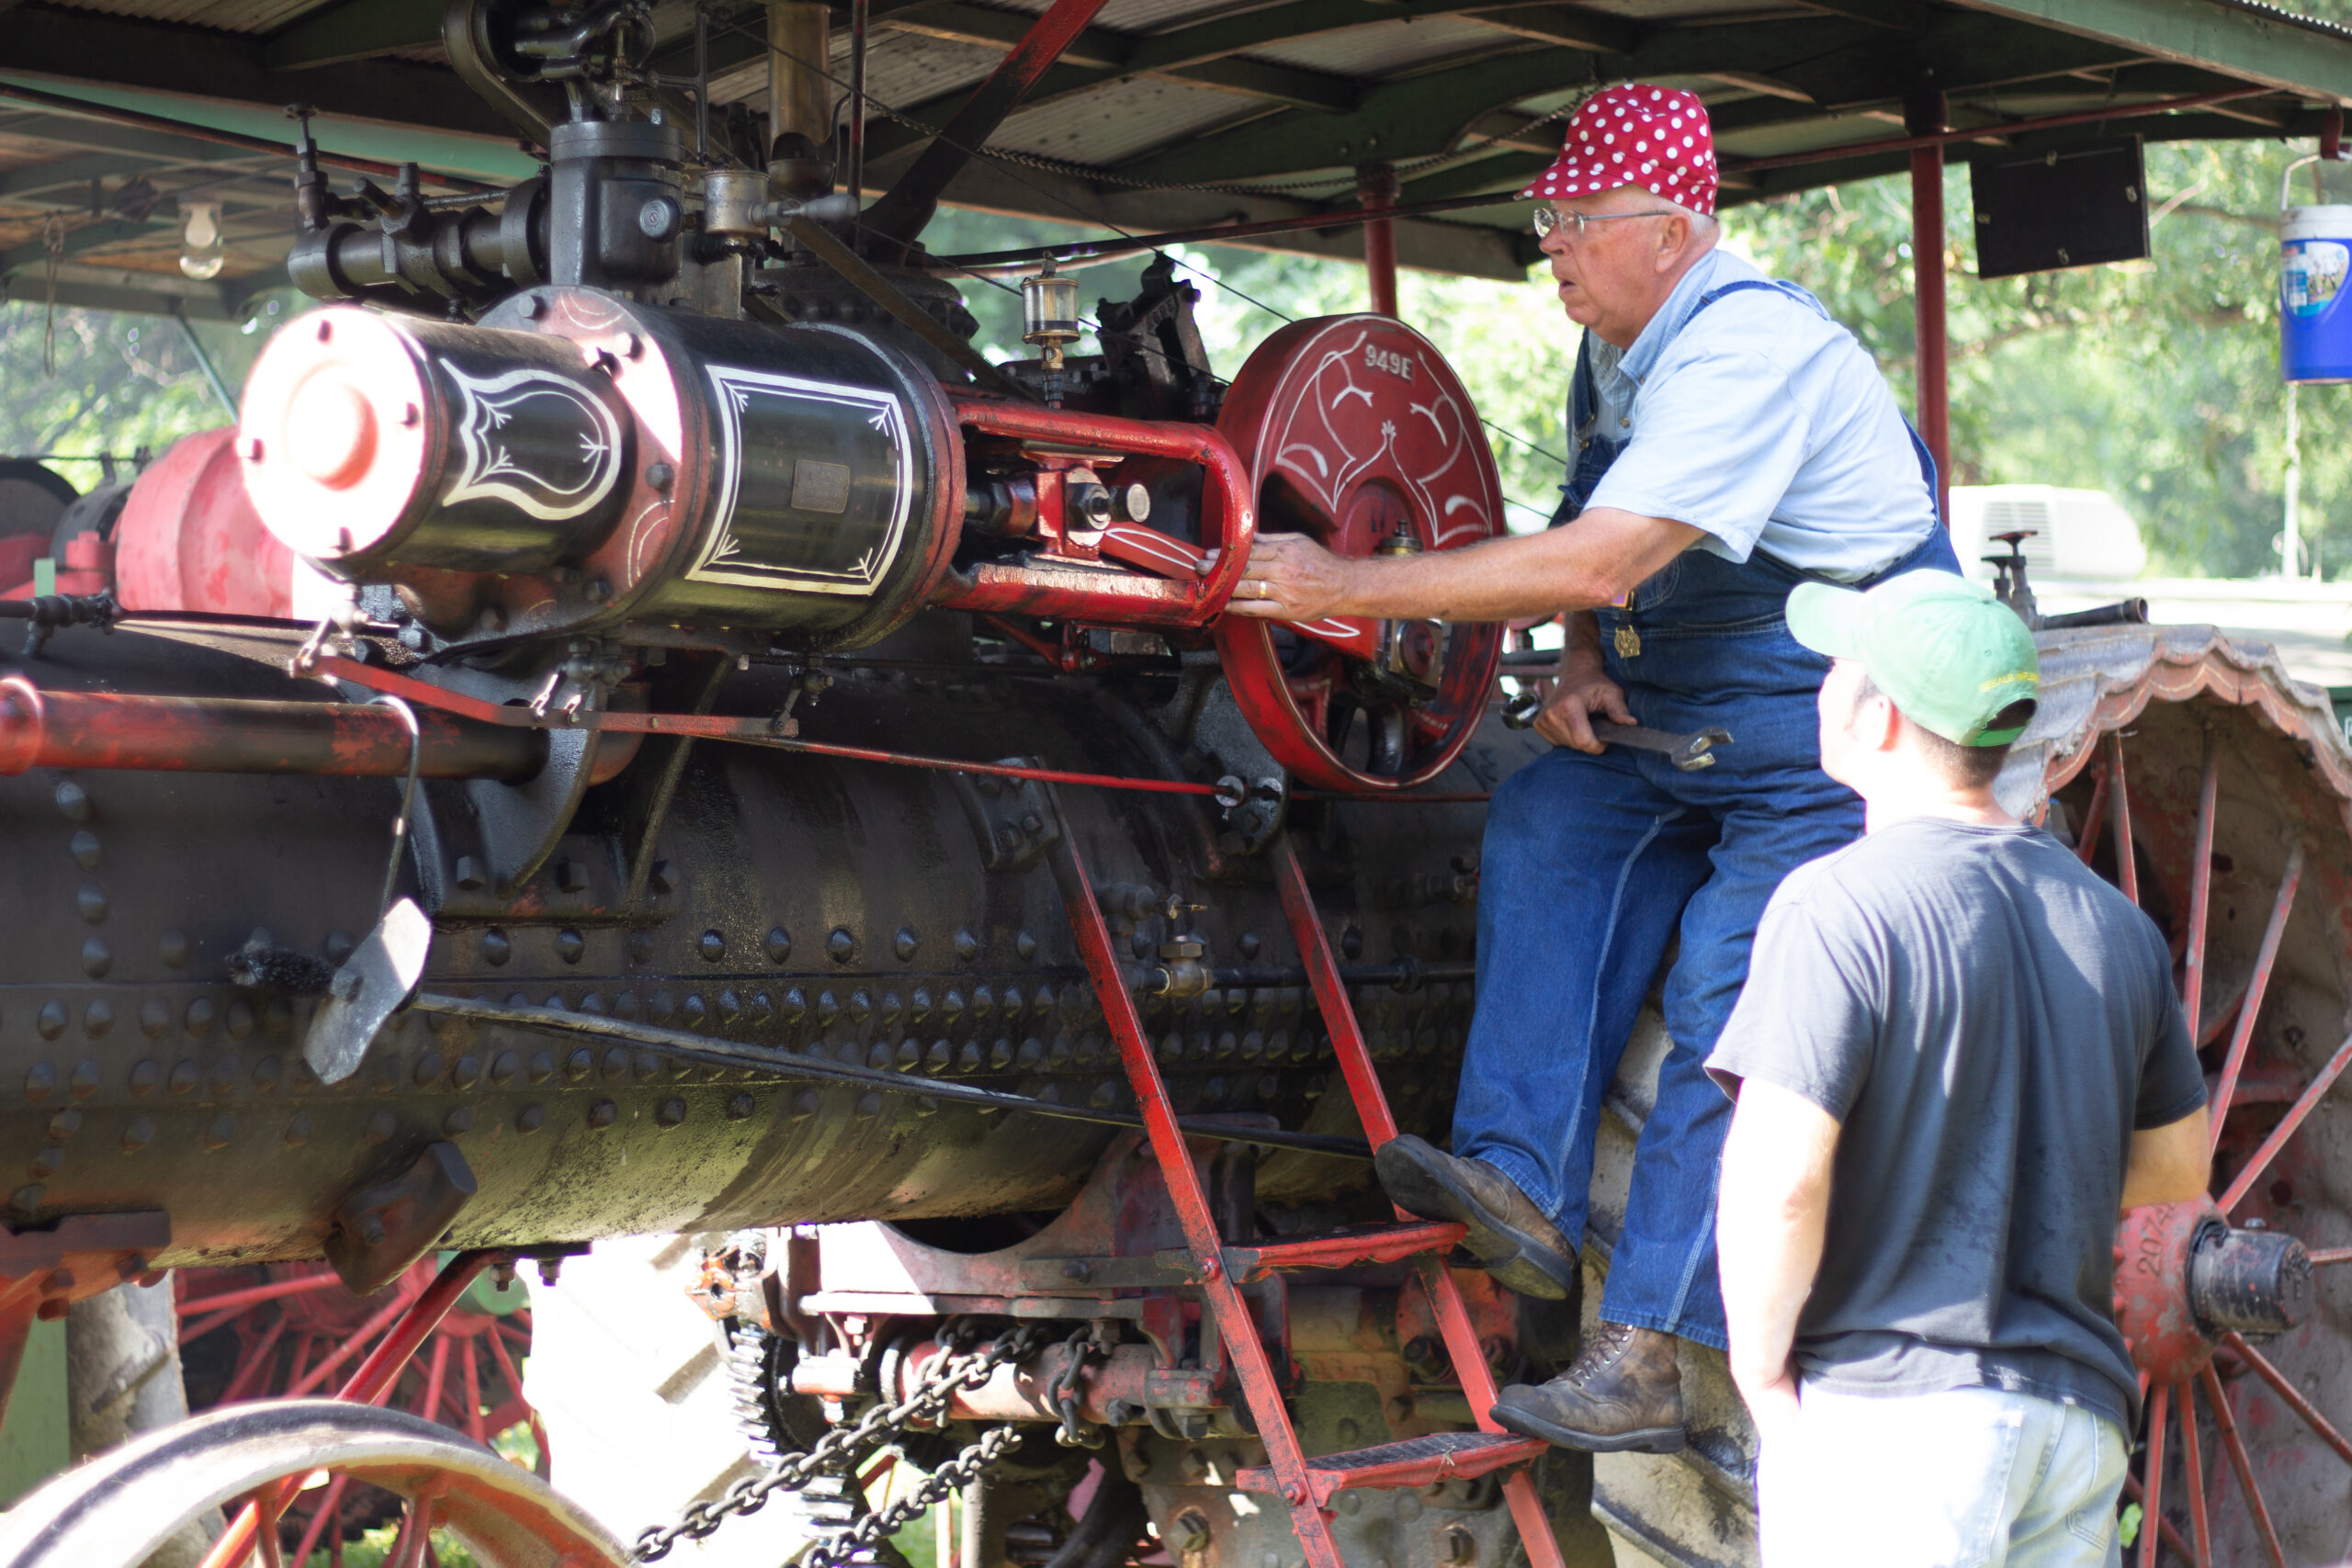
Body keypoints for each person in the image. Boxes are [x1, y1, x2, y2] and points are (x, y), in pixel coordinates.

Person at [1225, 83, 1959, 1450]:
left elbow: (1615, 552)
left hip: (1833, 729)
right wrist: (1571, 661)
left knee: (1729, 990)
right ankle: (1520, 1190)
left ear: (1673, 229)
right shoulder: (1618, 344)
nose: (1548, 243)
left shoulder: (1745, 351)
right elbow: (1583, 521)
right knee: (1547, 816)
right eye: (1546, 217)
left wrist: (1350, 577)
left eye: (1574, 218)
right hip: (1683, 713)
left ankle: (1665, 1347)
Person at [1708, 570, 2213, 1567]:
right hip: (2072, 1427)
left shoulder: (1835, 908)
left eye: (1837, 666)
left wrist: (1761, 1370)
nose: (1820, 684)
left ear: (1881, 717)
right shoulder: (2113, 926)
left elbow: (1779, 1182)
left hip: (1899, 1425)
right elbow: (2176, 1175)